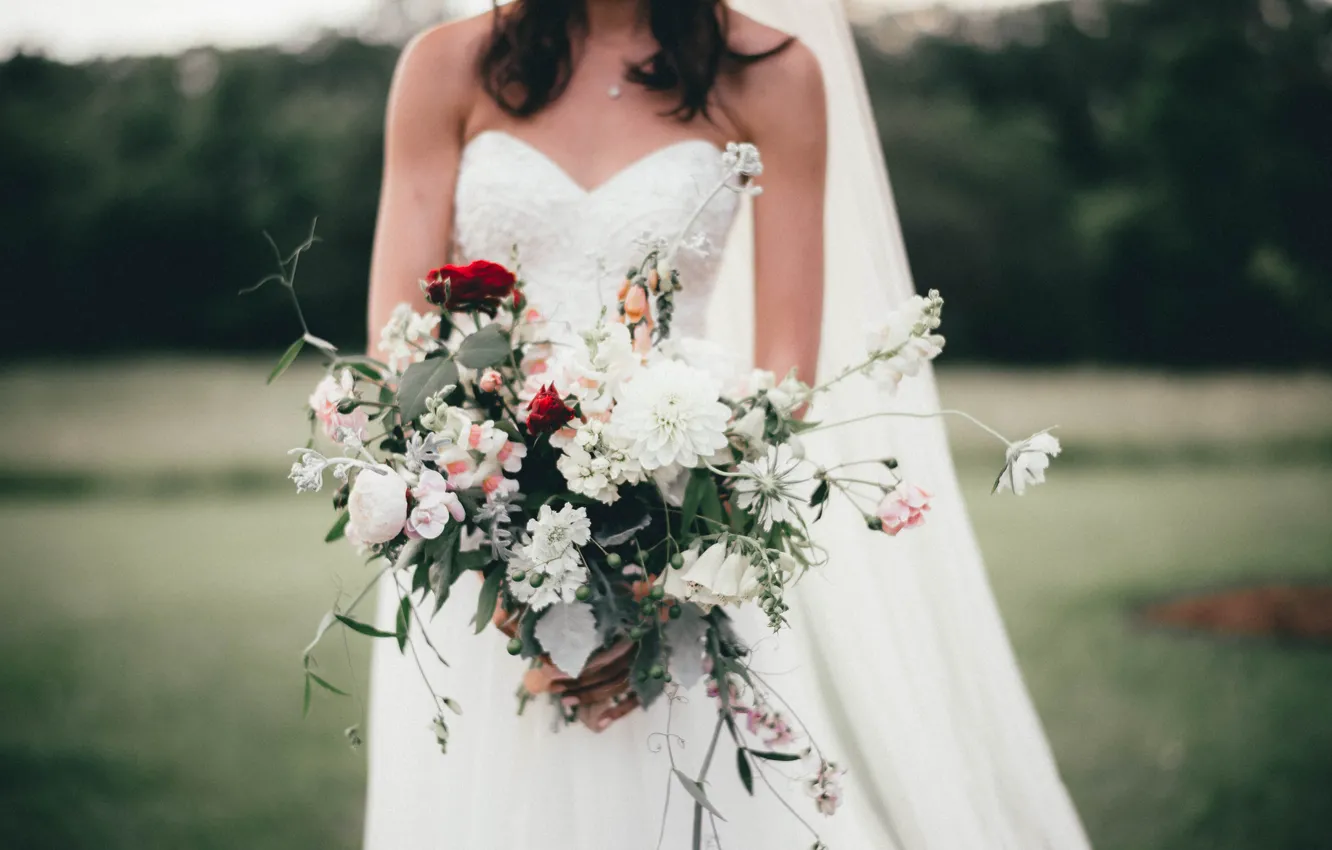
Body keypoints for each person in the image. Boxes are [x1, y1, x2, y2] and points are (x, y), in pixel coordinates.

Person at [363, 1, 1093, 847]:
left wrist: (652, 573)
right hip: (474, 545)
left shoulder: (774, 74)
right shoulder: (448, 66)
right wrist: (495, 535)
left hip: (677, 537)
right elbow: (396, 346)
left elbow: (786, 378)